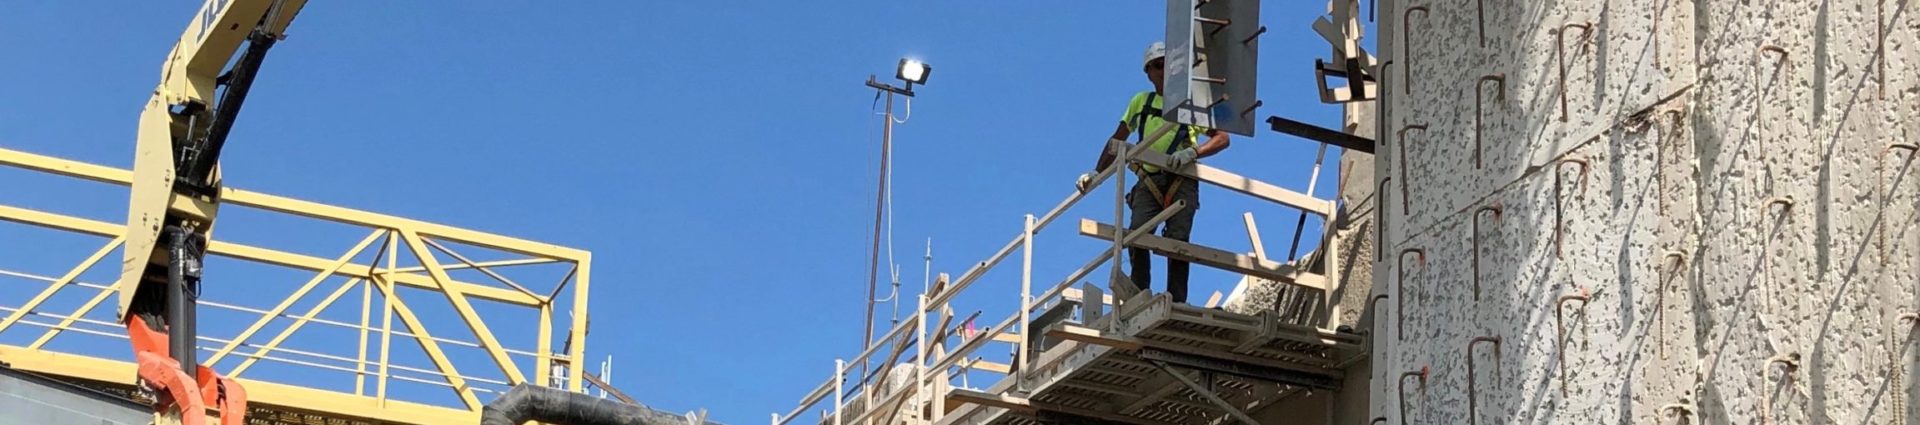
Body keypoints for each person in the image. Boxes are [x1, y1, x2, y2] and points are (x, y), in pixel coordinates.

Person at [1075, 41, 1231, 304]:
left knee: (1178, 240)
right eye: (1157, 66)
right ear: (1148, 72)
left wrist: (1193, 153)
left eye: (1167, 65)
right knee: (1138, 235)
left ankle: (1177, 299)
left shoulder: (1189, 104)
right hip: (1148, 178)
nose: (1163, 70)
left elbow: (1222, 138)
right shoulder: (1141, 102)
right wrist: (1096, 172)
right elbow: (1118, 140)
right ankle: (1139, 296)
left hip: (1181, 177)